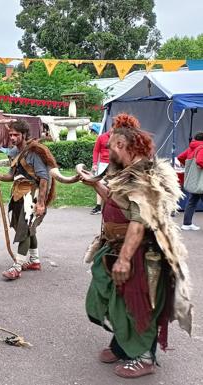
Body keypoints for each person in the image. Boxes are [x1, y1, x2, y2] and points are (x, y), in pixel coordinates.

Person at [79, 113, 192, 379]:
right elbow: (122, 204)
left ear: (123, 146)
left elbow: (139, 221)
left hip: (140, 252)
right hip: (114, 245)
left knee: (137, 304)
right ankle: (122, 344)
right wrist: (95, 184)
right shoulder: (128, 173)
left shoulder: (144, 175)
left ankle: (143, 357)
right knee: (106, 297)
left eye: (110, 146)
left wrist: (125, 259)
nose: (107, 150)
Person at [0, 120, 57, 280]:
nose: (12, 137)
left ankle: (17, 266)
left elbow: (43, 178)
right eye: (11, 134)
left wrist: (41, 203)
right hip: (18, 194)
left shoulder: (34, 152)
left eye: (16, 134)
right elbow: (12, 176)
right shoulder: (14, 153)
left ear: (24, 134)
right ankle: (34, 261)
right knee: (27, 229)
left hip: (32, 196)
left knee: (25, 230)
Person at [177, 132, 203, 230]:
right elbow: (200, 161)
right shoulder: (202, 148)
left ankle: (187, 224)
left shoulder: (191, 148)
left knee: (192, 201)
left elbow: (180, 157)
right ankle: (187, 224)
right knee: (192, 201)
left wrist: (190, 168)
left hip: (194, 181)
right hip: (200, 182)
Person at [90, 127, 112, 215]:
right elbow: (96, 150)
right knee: (99, 184)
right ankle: (98, 206)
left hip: (115, 164)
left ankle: (111, 207)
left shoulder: (120, 138)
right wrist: (95, 164)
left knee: (113, 185)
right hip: (103, 164)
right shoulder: (102, 137)